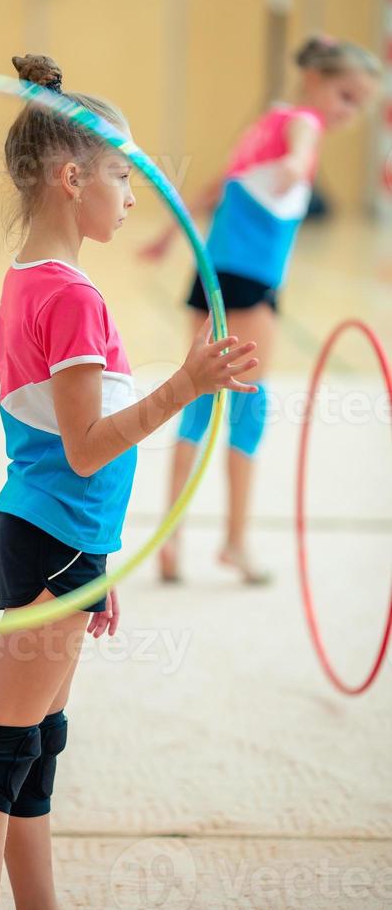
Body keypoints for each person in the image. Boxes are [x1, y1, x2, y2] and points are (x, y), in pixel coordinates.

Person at [0, 53, 260, 910]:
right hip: (50, 537)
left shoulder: (35, 280)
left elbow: (61, 448)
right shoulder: (73, 298)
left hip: (60, 538)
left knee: (37, 746)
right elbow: (87, 447)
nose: (133, 194)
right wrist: (186, 385)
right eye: (124, 176)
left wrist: (102, 562)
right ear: (71, 177)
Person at [139, 36, 381, 585]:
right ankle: (235, 543)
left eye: (358, 105)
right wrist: (300, 165)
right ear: (315, 81)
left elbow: (218, 188)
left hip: (211, 278)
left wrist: (164, 239)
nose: (348, 112)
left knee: (196, 398)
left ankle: (172, 541)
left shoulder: (266, 121)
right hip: (249, 285)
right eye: (346, 95)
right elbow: (300, 148)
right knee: (250, 406)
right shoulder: (303, 124)